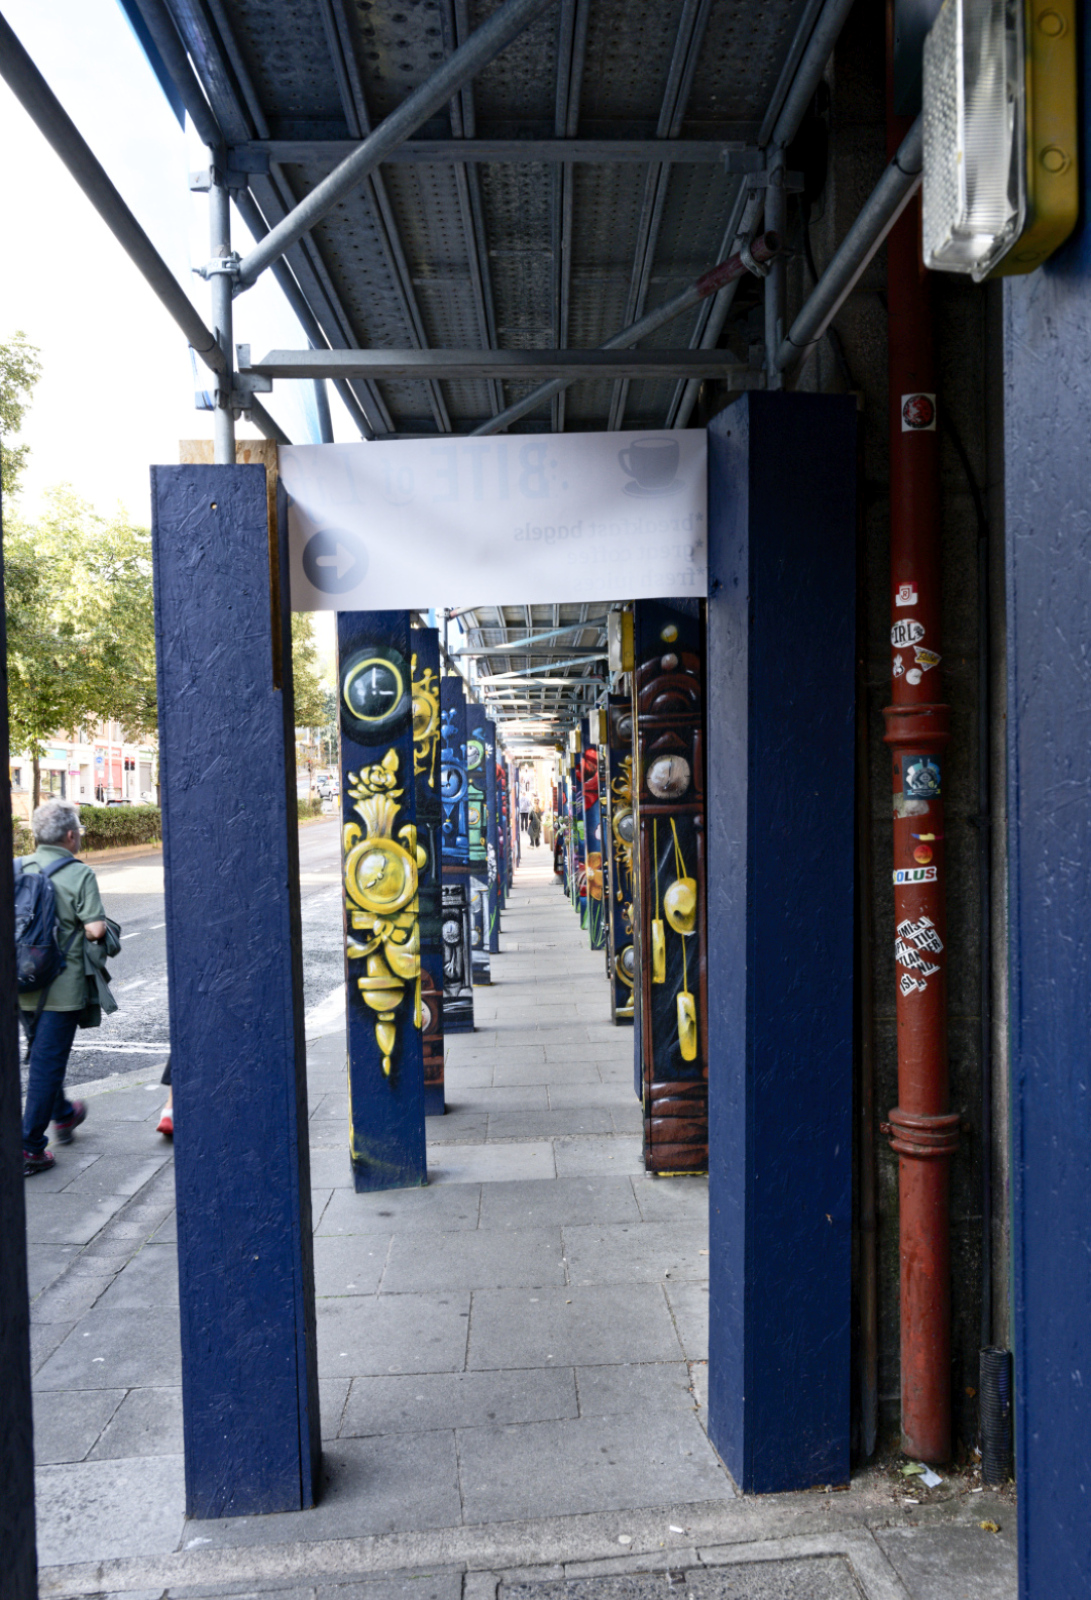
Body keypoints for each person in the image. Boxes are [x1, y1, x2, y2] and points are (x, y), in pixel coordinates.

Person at [20, 800, 107, 1176]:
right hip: (60, 988)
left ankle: (64, 1114)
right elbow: (95, 930)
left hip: (20, 982)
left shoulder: (17, 867)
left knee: (43, 1055)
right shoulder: (79, 873)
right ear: (71, 836)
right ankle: (28, 1148)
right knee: (47, 1064)